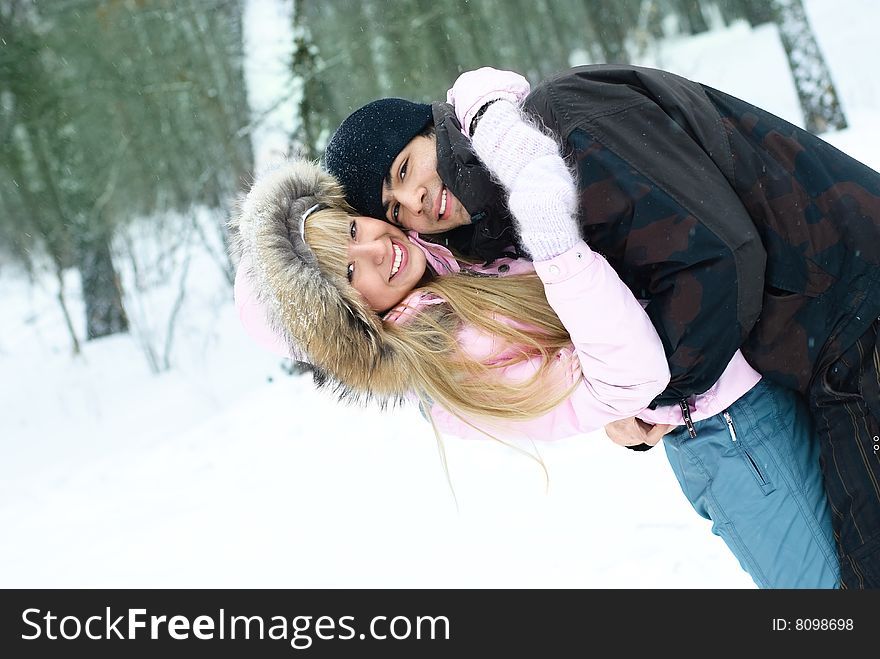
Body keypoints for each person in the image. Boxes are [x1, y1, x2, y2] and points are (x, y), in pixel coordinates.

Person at [230, 106, 839, 588]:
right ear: (348, 322)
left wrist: (488, 109)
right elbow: (627, 376)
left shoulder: (456, 262)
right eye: (345, 273)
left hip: (755, 366)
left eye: (358, 229)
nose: (375, 249)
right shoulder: (452, 376)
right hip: (726, 434)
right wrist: (556, 249)